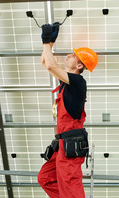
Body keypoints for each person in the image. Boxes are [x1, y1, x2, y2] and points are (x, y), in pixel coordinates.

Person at [37, 23, 98, 198]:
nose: (69, 55)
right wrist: (50, 43)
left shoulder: (78, 82)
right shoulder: (65, 83)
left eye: (75, 56)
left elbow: (50, 66)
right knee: (46, 178)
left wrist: (46, 41)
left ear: (80, 66)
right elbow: (46, 62)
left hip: (70, 145)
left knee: (70, 186)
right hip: (61, 145)